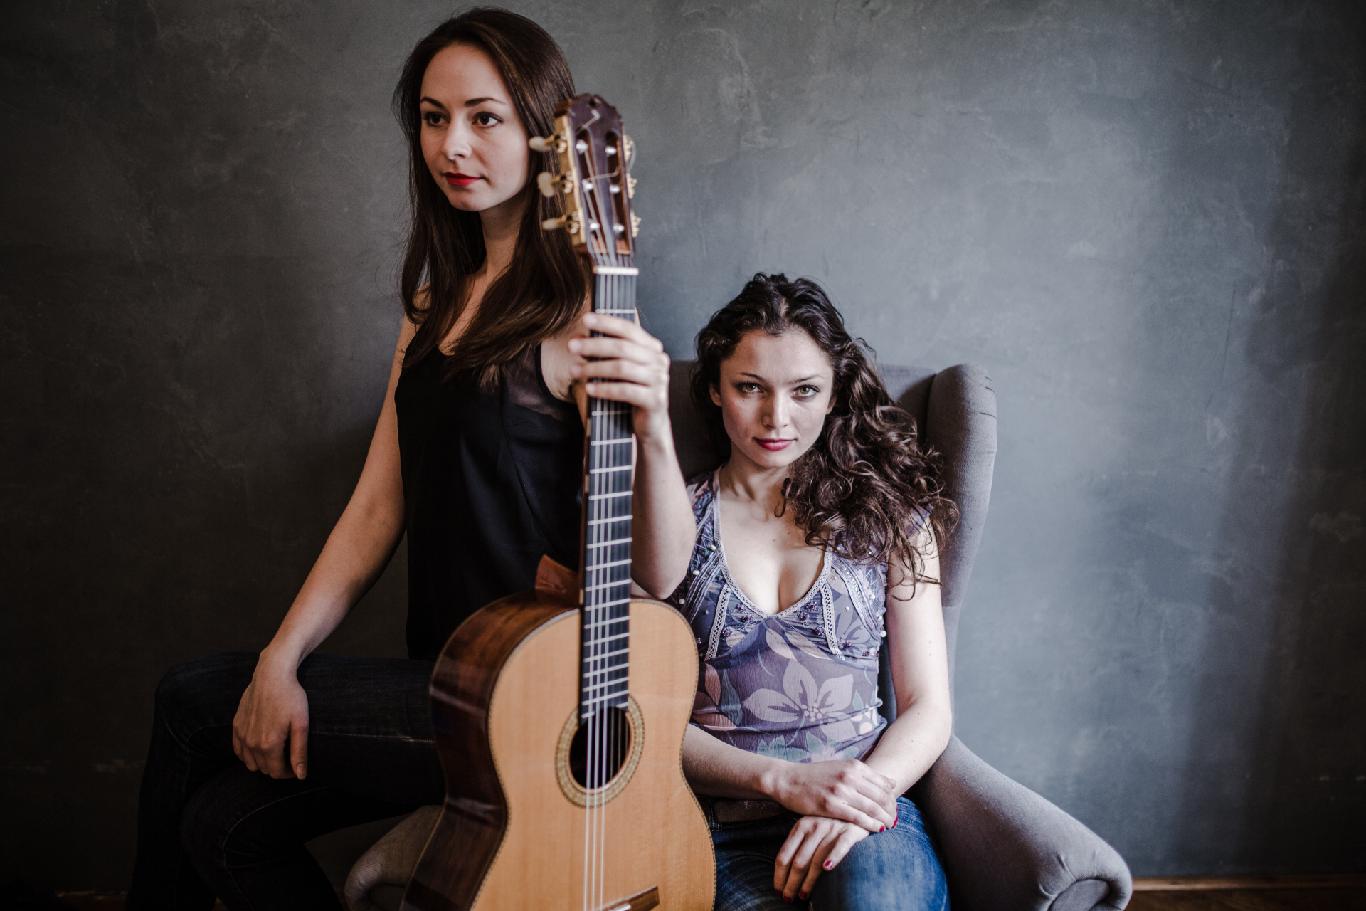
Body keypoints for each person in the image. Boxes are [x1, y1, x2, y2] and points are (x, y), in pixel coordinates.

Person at [125, 9, 671, 909]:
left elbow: (664, 568)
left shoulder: (587, 315)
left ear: (547, 136)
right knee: (221, 824)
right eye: (432, 116)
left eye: (484, 117)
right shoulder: (432, 305)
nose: (453, 144)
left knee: (190, 697)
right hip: (437, 682)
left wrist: (655, 427)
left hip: (528, 700)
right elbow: (378, 507)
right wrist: (282, 657)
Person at [624, 273, 959, 910]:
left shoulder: (891, 518)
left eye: (804, 390)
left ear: (834, 395)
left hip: (861, 815)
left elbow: (928, 707)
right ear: (716, 390)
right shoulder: (669, 526)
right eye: (750, 387)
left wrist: (855, 799)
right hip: (716, 827)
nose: (777, 418)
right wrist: (784, 781)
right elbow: (644, 718)